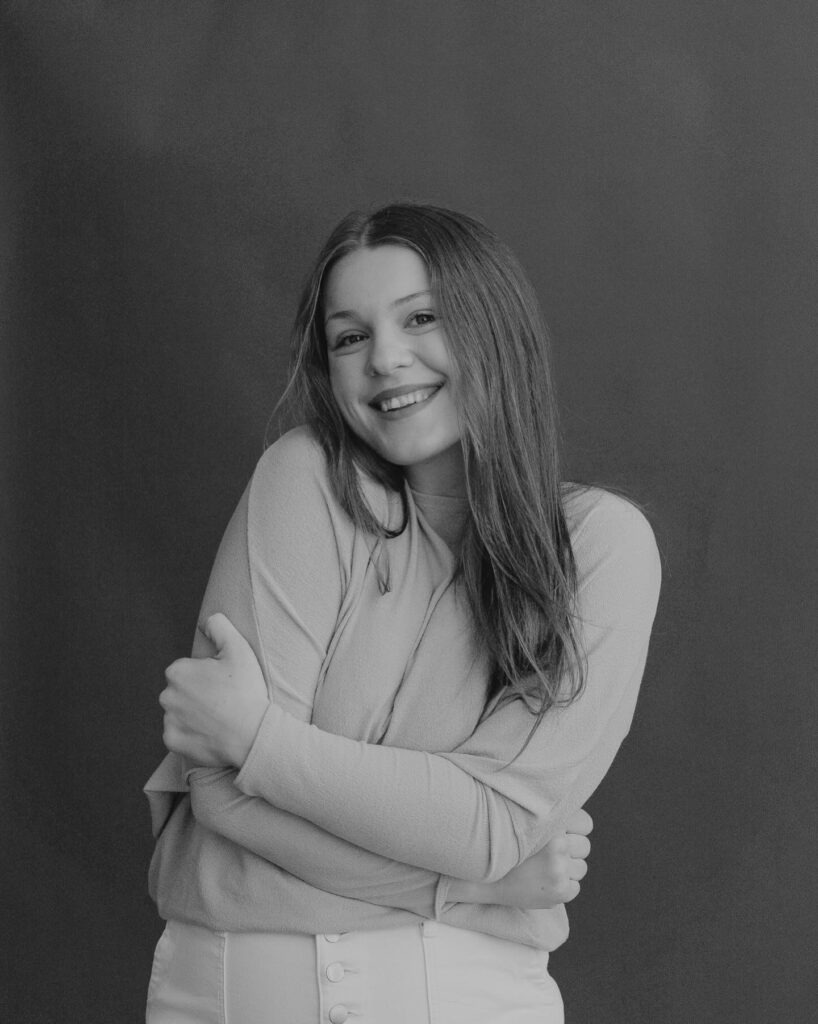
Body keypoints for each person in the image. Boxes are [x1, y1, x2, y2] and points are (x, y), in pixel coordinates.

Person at [144, 203, 661, 1023]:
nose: (384, 358)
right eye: (350, 337)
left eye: (422, 318)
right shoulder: (305, 479)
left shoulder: (601, 546)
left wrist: (260, 741)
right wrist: (472, 887)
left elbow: (491, 825)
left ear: (494, 328)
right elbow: (226, 800)